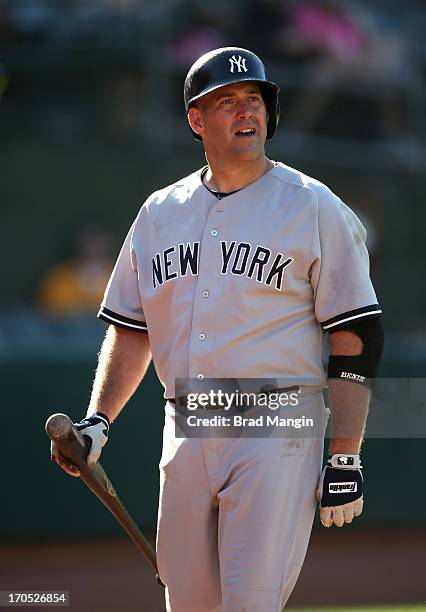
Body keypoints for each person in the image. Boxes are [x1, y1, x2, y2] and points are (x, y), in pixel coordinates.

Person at [51, 47, 384, 611]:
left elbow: (355, 331)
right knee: (188, 606)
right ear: (196, 120)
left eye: (254, 99)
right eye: (226, 101)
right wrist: (99, 422)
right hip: (185, 427)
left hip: (276, 425)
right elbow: (132, 330)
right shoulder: (160, 212)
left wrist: (345, 453)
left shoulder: (312, 205)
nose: (245, 111)